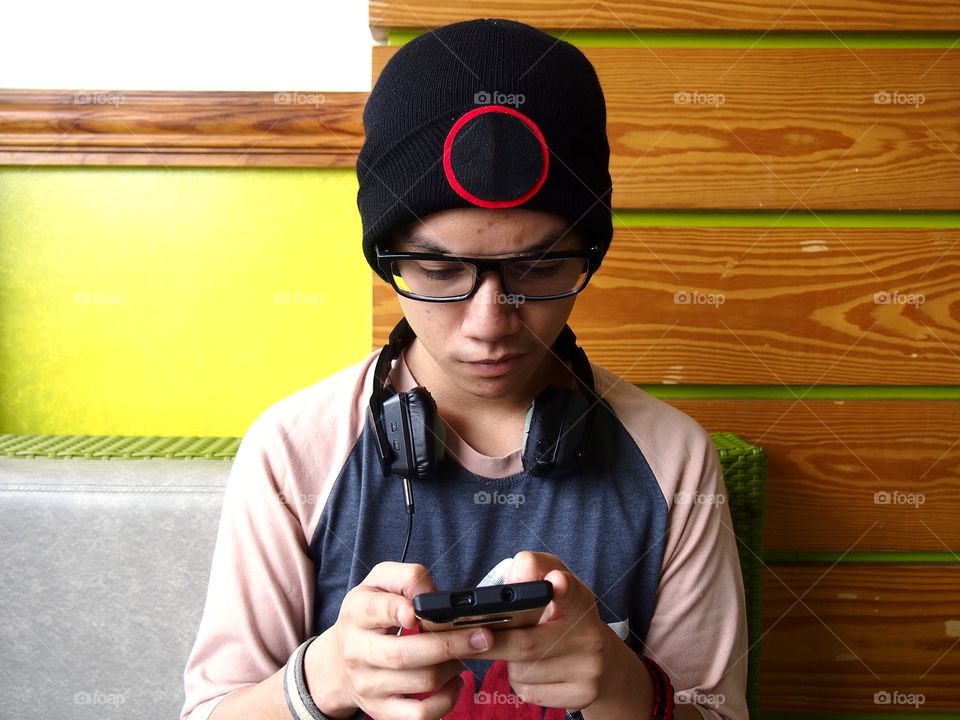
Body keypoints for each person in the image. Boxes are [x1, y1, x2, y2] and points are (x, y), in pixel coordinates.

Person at [181, 17, 748, 720]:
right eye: (439, 268)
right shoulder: (292, 451)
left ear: (590, 254)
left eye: (538, 266)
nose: (489, 323)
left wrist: (624, 688)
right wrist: (325, 677)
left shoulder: (674, 460)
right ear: (385, 256)